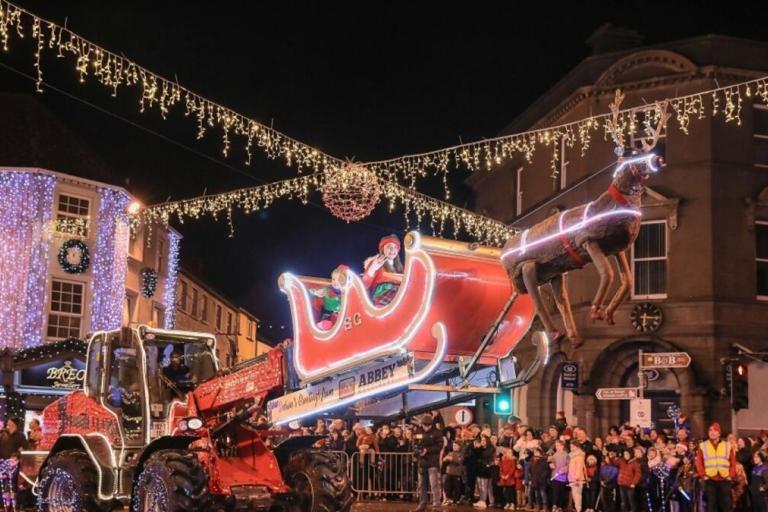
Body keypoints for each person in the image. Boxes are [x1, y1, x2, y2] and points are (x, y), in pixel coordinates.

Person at [695, 422, 737, 512]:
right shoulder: (703, 446)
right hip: (710, 479)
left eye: (714, 430)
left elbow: (733, 462)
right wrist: (703, 475)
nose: (712, 432)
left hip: (725, 479)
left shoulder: (727, 445)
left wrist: (731, 475)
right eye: (710, 430)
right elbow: (699, 462)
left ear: (719, 433)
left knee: (727, 505)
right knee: (712, 505)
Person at [412, 414, 443, 512]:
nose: (426, 427)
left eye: (428, 425)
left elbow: (439, 446)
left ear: (431, 424)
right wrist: (417, 452)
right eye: (425, 425)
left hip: (432, 462)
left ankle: (436, 505)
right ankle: (422, 504)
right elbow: (414, 444)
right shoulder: (418, 431)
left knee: (434, 485)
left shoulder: (437, 432)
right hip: (422, 462)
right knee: (422, 485)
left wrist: (427, 450)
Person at [363, 234, 404, 306]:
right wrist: (372, 268)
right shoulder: (376, 262)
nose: (392, 250)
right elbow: (365, 284)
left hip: (398, 297)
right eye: (389, 247)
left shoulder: (401, 268)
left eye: (395, 247)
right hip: (381, 297)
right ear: (382, 249)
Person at [311, 264, 349, 329]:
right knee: (326, 324)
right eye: (333, 279)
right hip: (327, 315)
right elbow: (316, 293)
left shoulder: (346, 293)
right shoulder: (327, 290)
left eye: (339, 280)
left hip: (341, 317)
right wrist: (313, 292)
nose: (335, 282)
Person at [568, 442, 587, 512]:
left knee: (577, 496)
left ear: (577, 447)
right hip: (572, 479)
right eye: (570, 447)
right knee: (575, 496)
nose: (571, 448)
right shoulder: (572, 456)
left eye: (573, 446)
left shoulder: (579, 456)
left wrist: (577, 478)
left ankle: (578, 510)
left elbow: (579, 468)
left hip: (577, 479)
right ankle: (577, 509)